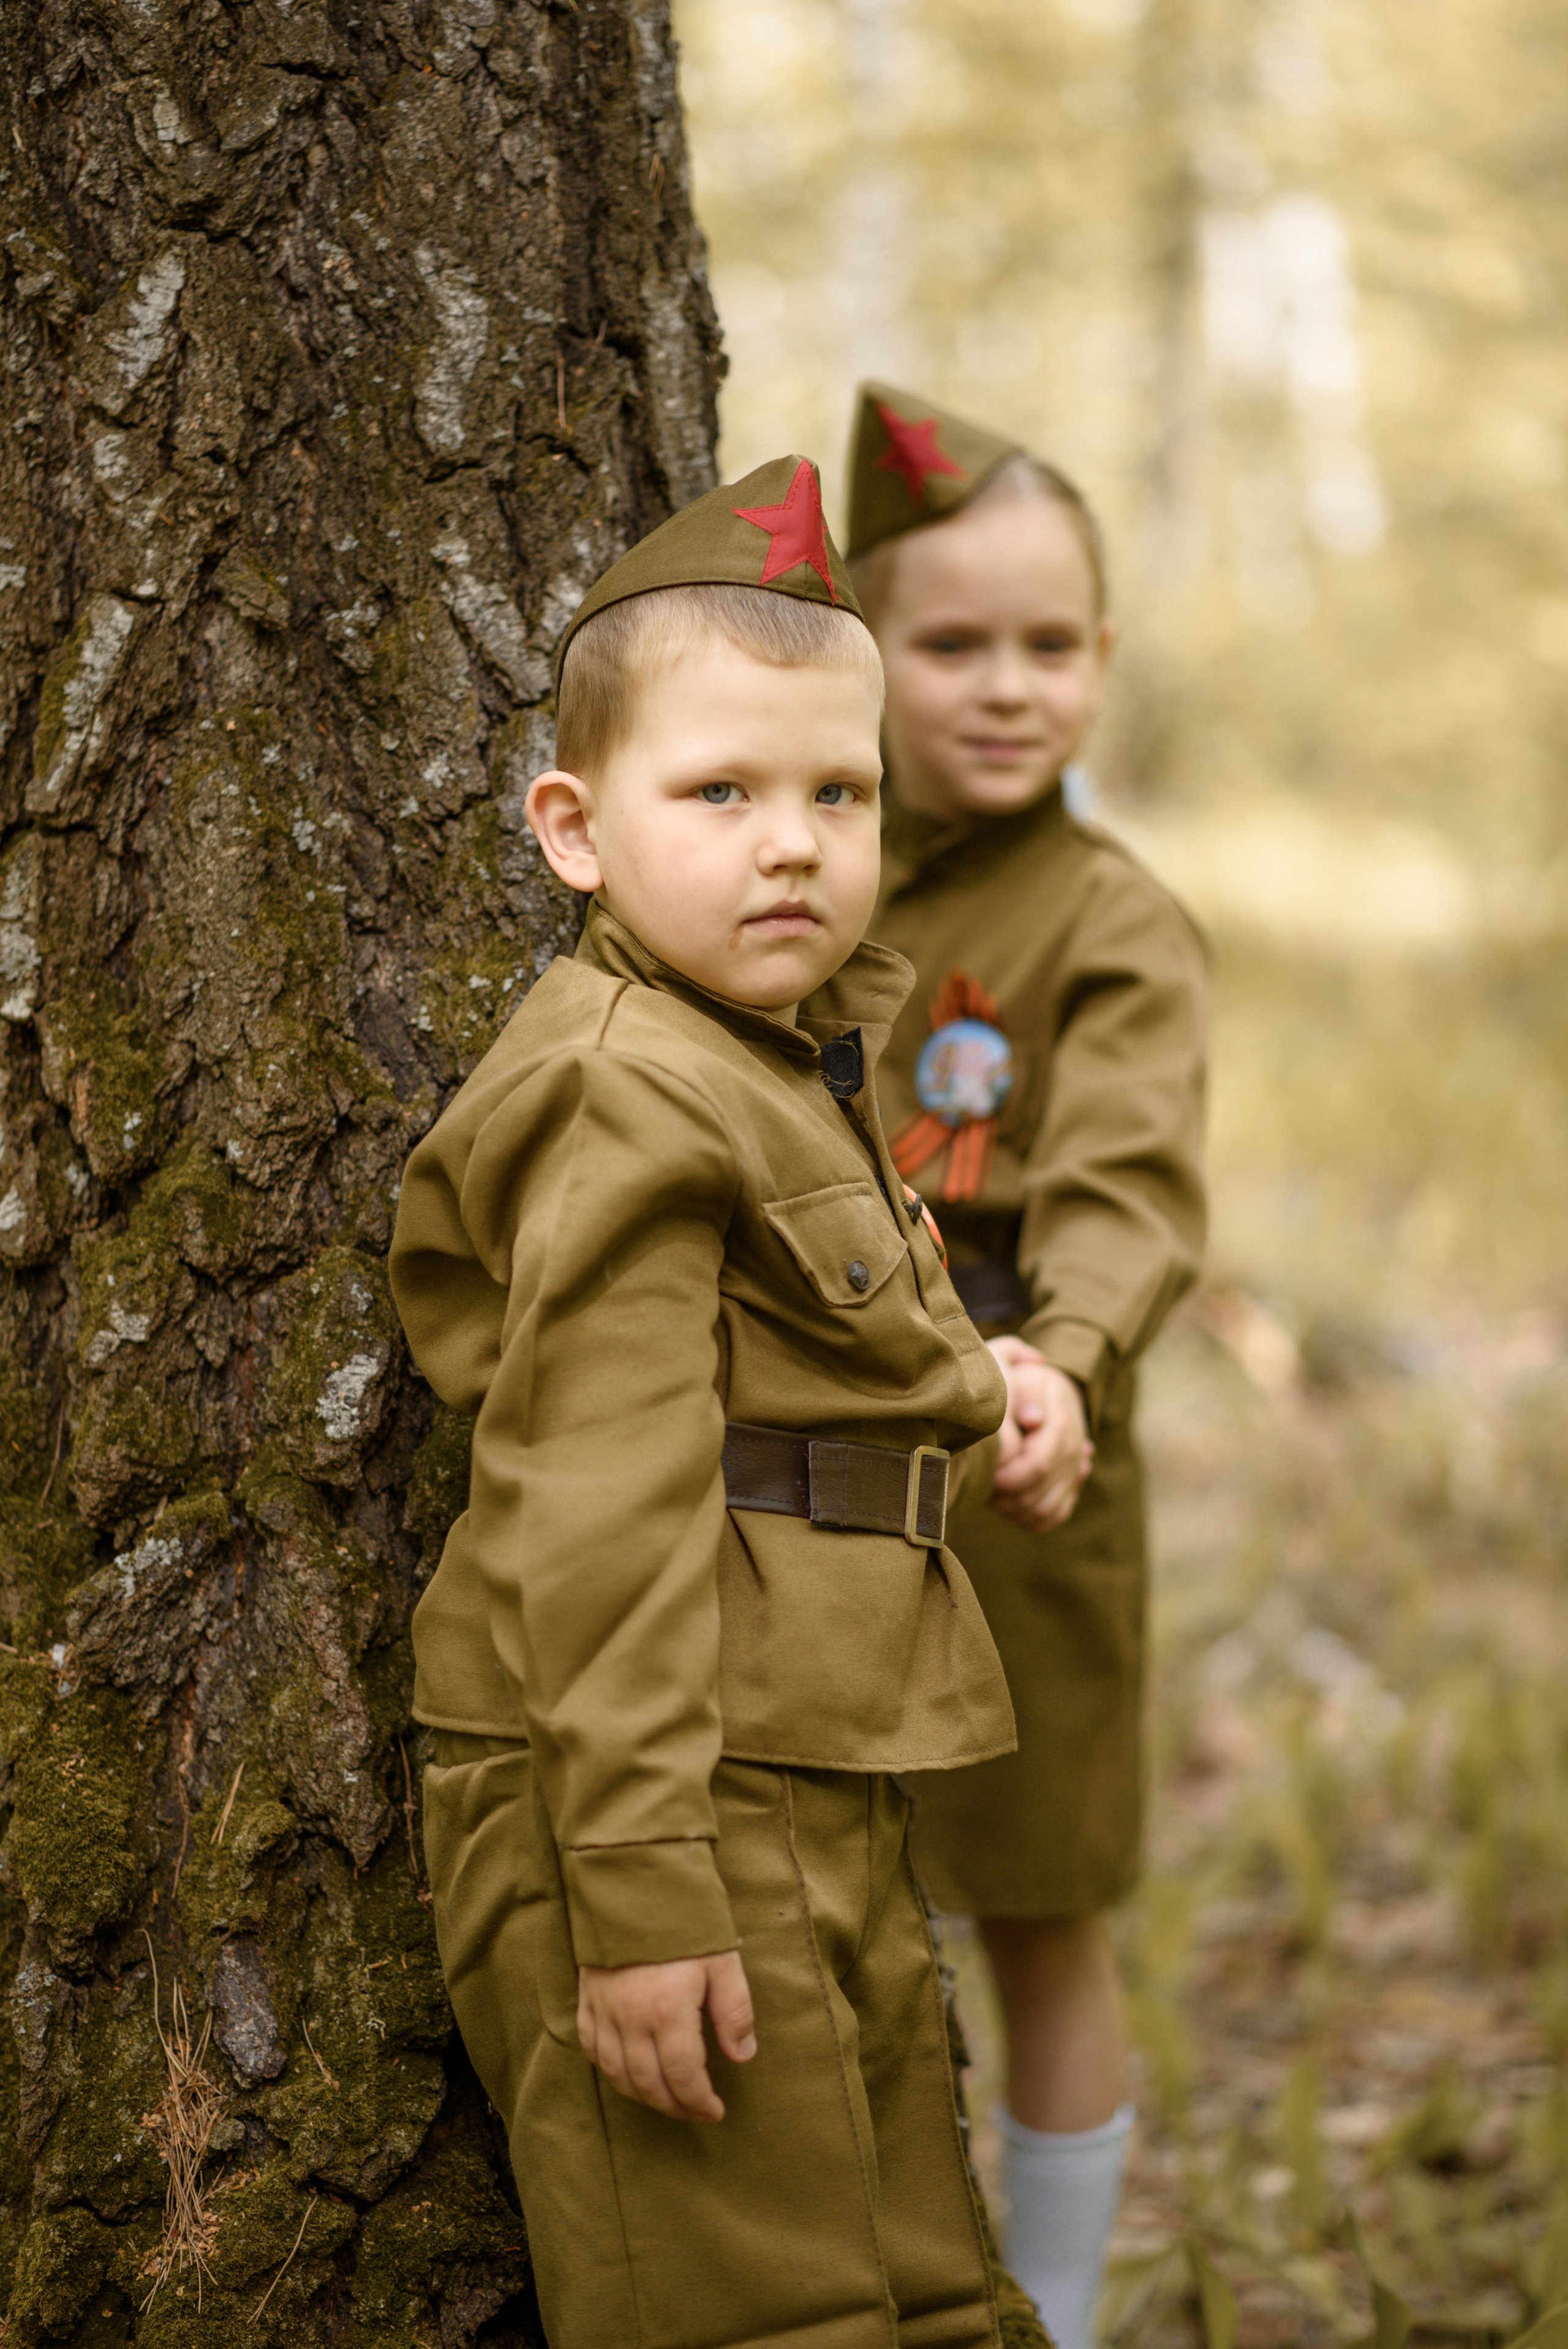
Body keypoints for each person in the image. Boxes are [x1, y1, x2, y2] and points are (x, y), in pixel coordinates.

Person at [389, 455, 1035, 2349]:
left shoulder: (768, 1055)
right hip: (660, 1797)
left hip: (810, 1758)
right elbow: (601, 1502)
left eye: (840, 792)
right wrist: (647, 1895)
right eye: (724, 791)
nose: (793, 844)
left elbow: (804, 1370)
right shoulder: (625, 1088)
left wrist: (988, 1391)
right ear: (575, 830)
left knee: (920, 2289)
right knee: (760, 2310)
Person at [845, 384, 1208, 2349]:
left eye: (1051, 645)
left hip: (1027, 1479)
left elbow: (1130, 1187)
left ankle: (1052, 2314)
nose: (1007, 688)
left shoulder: (1108, 922)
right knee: (822, 1885)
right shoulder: (806, 873)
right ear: (860, 651)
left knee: (1037, 1900)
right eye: (952, 642)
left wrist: (1058, 1355)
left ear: (1104, 662)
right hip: (807, 1480)